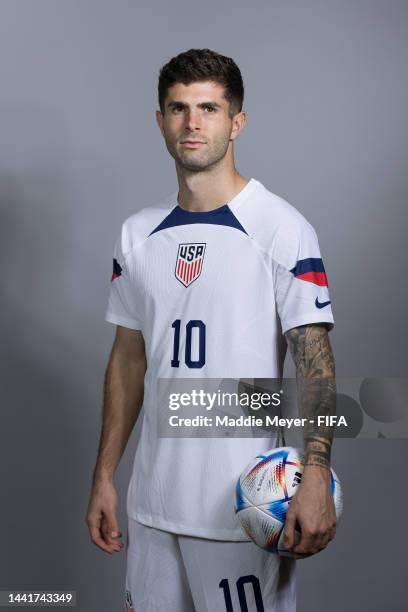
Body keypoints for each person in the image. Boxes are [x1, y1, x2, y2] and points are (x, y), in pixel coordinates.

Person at [86, 48, 337, 612]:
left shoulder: (282, 229)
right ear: (161, 121)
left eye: (209, 109)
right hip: (150, 508)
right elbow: (128, 361)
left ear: (236, 122)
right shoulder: (136, 236)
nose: (192, 124)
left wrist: (316, 473)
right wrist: (104, 475)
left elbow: (314, 360)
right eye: (178, 108)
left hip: (245, 507)